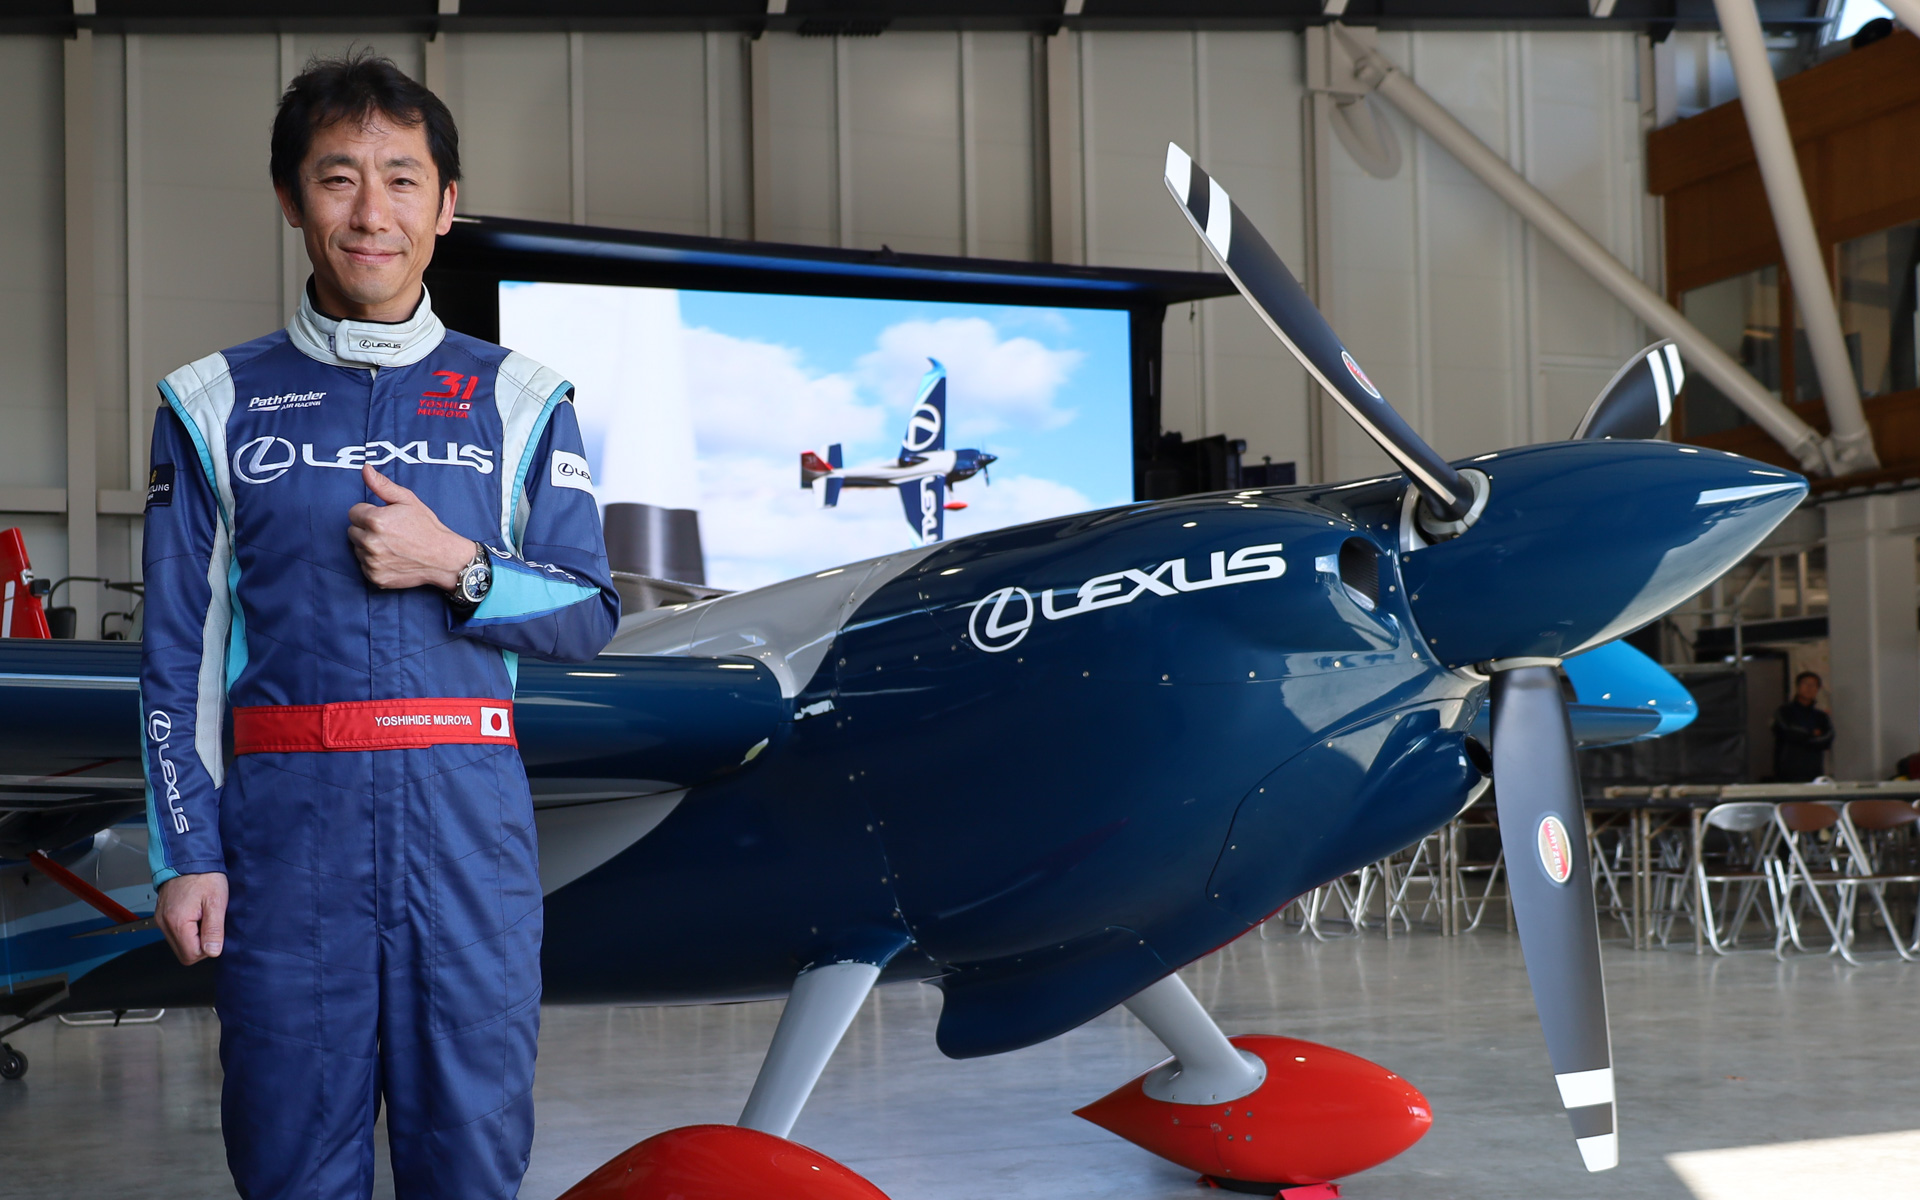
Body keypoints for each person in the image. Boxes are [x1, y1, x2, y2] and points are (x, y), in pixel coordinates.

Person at [140, 52, 619, 1200]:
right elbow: (176, 657)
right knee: (289, 1162)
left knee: (472, 1159)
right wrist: (187, 854)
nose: (371, 213)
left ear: (446, 205)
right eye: (338, 178)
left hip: (469, 839)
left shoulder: (521, 399)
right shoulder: (210, 403)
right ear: (290, 199)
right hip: (286, 843)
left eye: (402, 180)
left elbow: (589, 611)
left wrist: (457, 566)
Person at [1772, 670, 1834, 783]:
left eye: (1813, 685)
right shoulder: (1784, 711)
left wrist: (1804, 737)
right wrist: (1812, 734)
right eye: (1805, 683)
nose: (1809, 688)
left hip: (1814, 770)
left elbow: (1827, 738)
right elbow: (1788, 732)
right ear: (1798, 686)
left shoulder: (1821, 716)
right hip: (1787, 771)